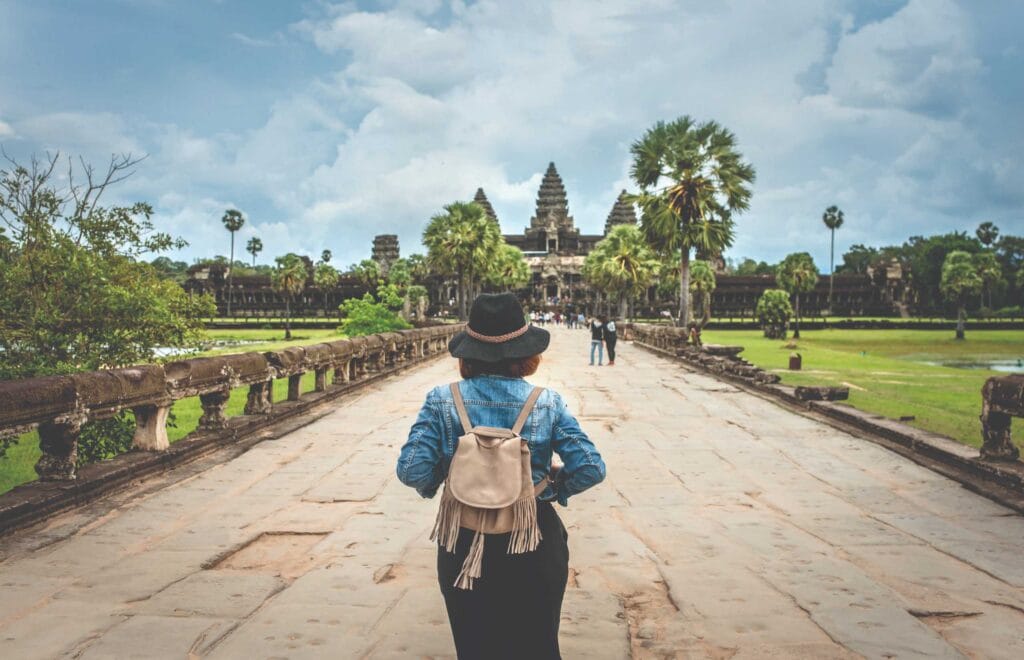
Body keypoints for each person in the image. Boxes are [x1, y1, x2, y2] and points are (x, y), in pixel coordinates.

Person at [397, 293, 606, 660]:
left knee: (475, 649)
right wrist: (551, 487)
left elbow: (411, 469)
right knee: (539, 648)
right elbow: (591, 467)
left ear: (468, 352)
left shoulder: (442, 400)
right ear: (526, 351)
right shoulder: (546, 402)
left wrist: (455, 476)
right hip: (533, 537)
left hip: (462, 538)